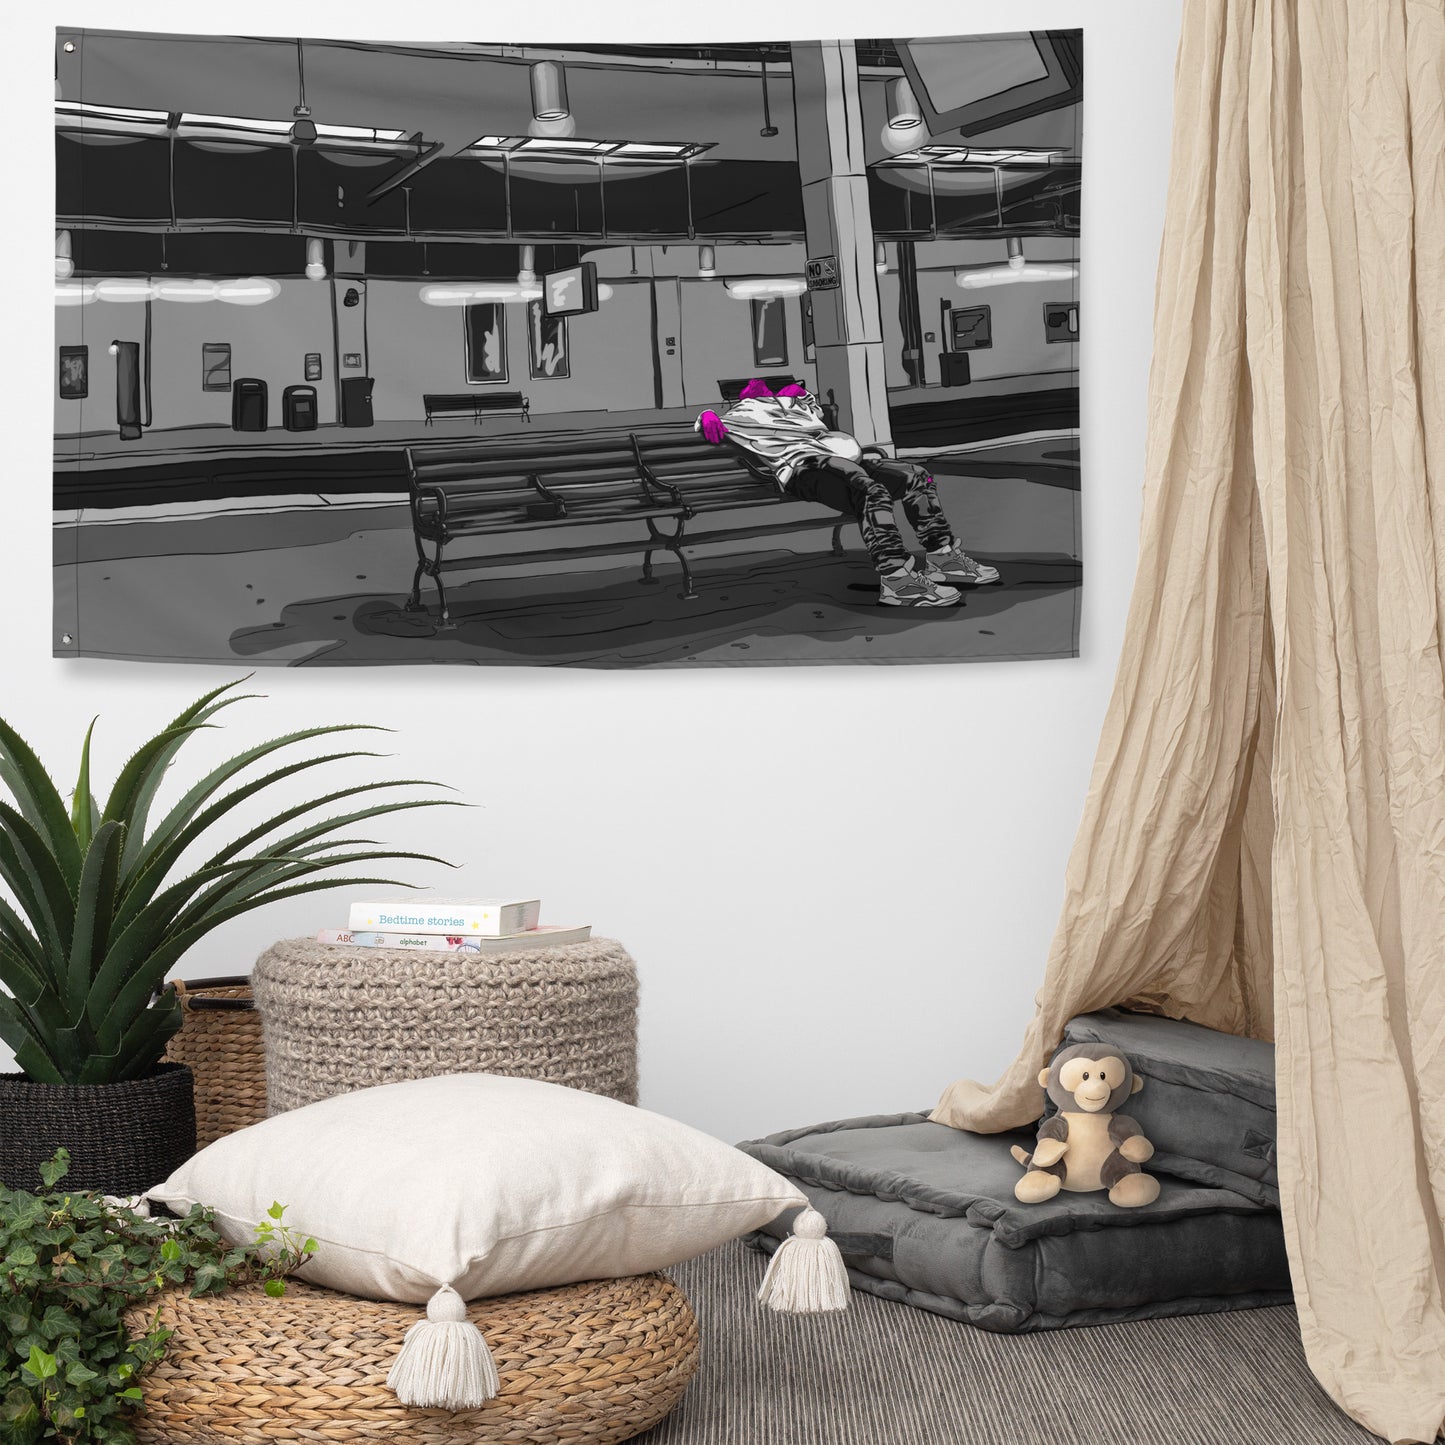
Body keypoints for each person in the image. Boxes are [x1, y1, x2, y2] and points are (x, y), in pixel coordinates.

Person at [696, 378, 999, 607]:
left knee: (914, 475)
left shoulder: (799, 407)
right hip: (805, 468)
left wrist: (800, 399)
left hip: (842, 459)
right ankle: (897, 580)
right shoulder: (745, 412)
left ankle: (942, 557)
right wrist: (708, 416)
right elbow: (707, 422)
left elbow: (813, 410)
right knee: (872, 491)